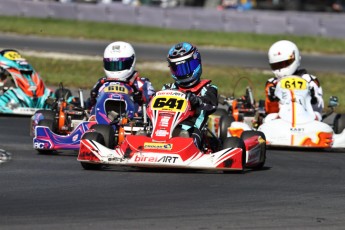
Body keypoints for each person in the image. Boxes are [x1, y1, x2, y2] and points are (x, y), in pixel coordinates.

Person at [163, 42, 218, 150]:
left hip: (193, 129)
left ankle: (183, 145)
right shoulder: (167, 88)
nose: (183, 73)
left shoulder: (207, 88)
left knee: (187, 135)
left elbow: (211, 104)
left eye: (187, 68)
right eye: (178, 69)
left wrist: (197, 100)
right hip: (167, 128)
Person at [88, 41, 155, 115]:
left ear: (131, 62)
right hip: (100, 119)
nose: (115, 69)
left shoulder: (142, 84)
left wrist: (140, 99)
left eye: (120, 65)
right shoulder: (101, 83)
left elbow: (152, 105)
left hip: (131, 122)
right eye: (111, 65)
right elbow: (91, 104)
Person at [265, 40, 324, 117]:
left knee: (317, 116)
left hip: (307, 119)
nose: (280, 69)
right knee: (269, 118)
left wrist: (313, 99)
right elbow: (271, 112)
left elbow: (319, 109)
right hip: (281, 121)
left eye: (284, 63)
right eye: (276, 65)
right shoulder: (272, 84)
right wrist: (273, 100)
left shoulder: (310, 81)